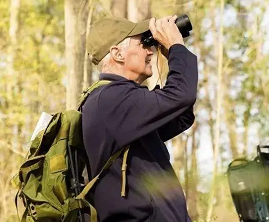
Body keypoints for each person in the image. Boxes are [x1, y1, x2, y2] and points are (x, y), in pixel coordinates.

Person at [82, 15, 198, 222]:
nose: (150, 50)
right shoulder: (110, 99)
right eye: (142, 43)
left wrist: (171, 53)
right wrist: (176, 48)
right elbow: (181, 95)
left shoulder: (117, 100)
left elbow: (180, 115)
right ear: (117, 53)